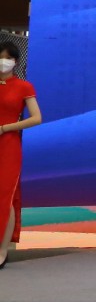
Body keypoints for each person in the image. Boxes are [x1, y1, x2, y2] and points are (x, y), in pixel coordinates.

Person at [0, 40, 42, 270]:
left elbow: (36, 118)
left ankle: (2, 249)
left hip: (8, 145)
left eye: (7, 58)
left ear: (15, 61)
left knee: (5, 197)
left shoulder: (23, 86)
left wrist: (5, 128)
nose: (3, 61)